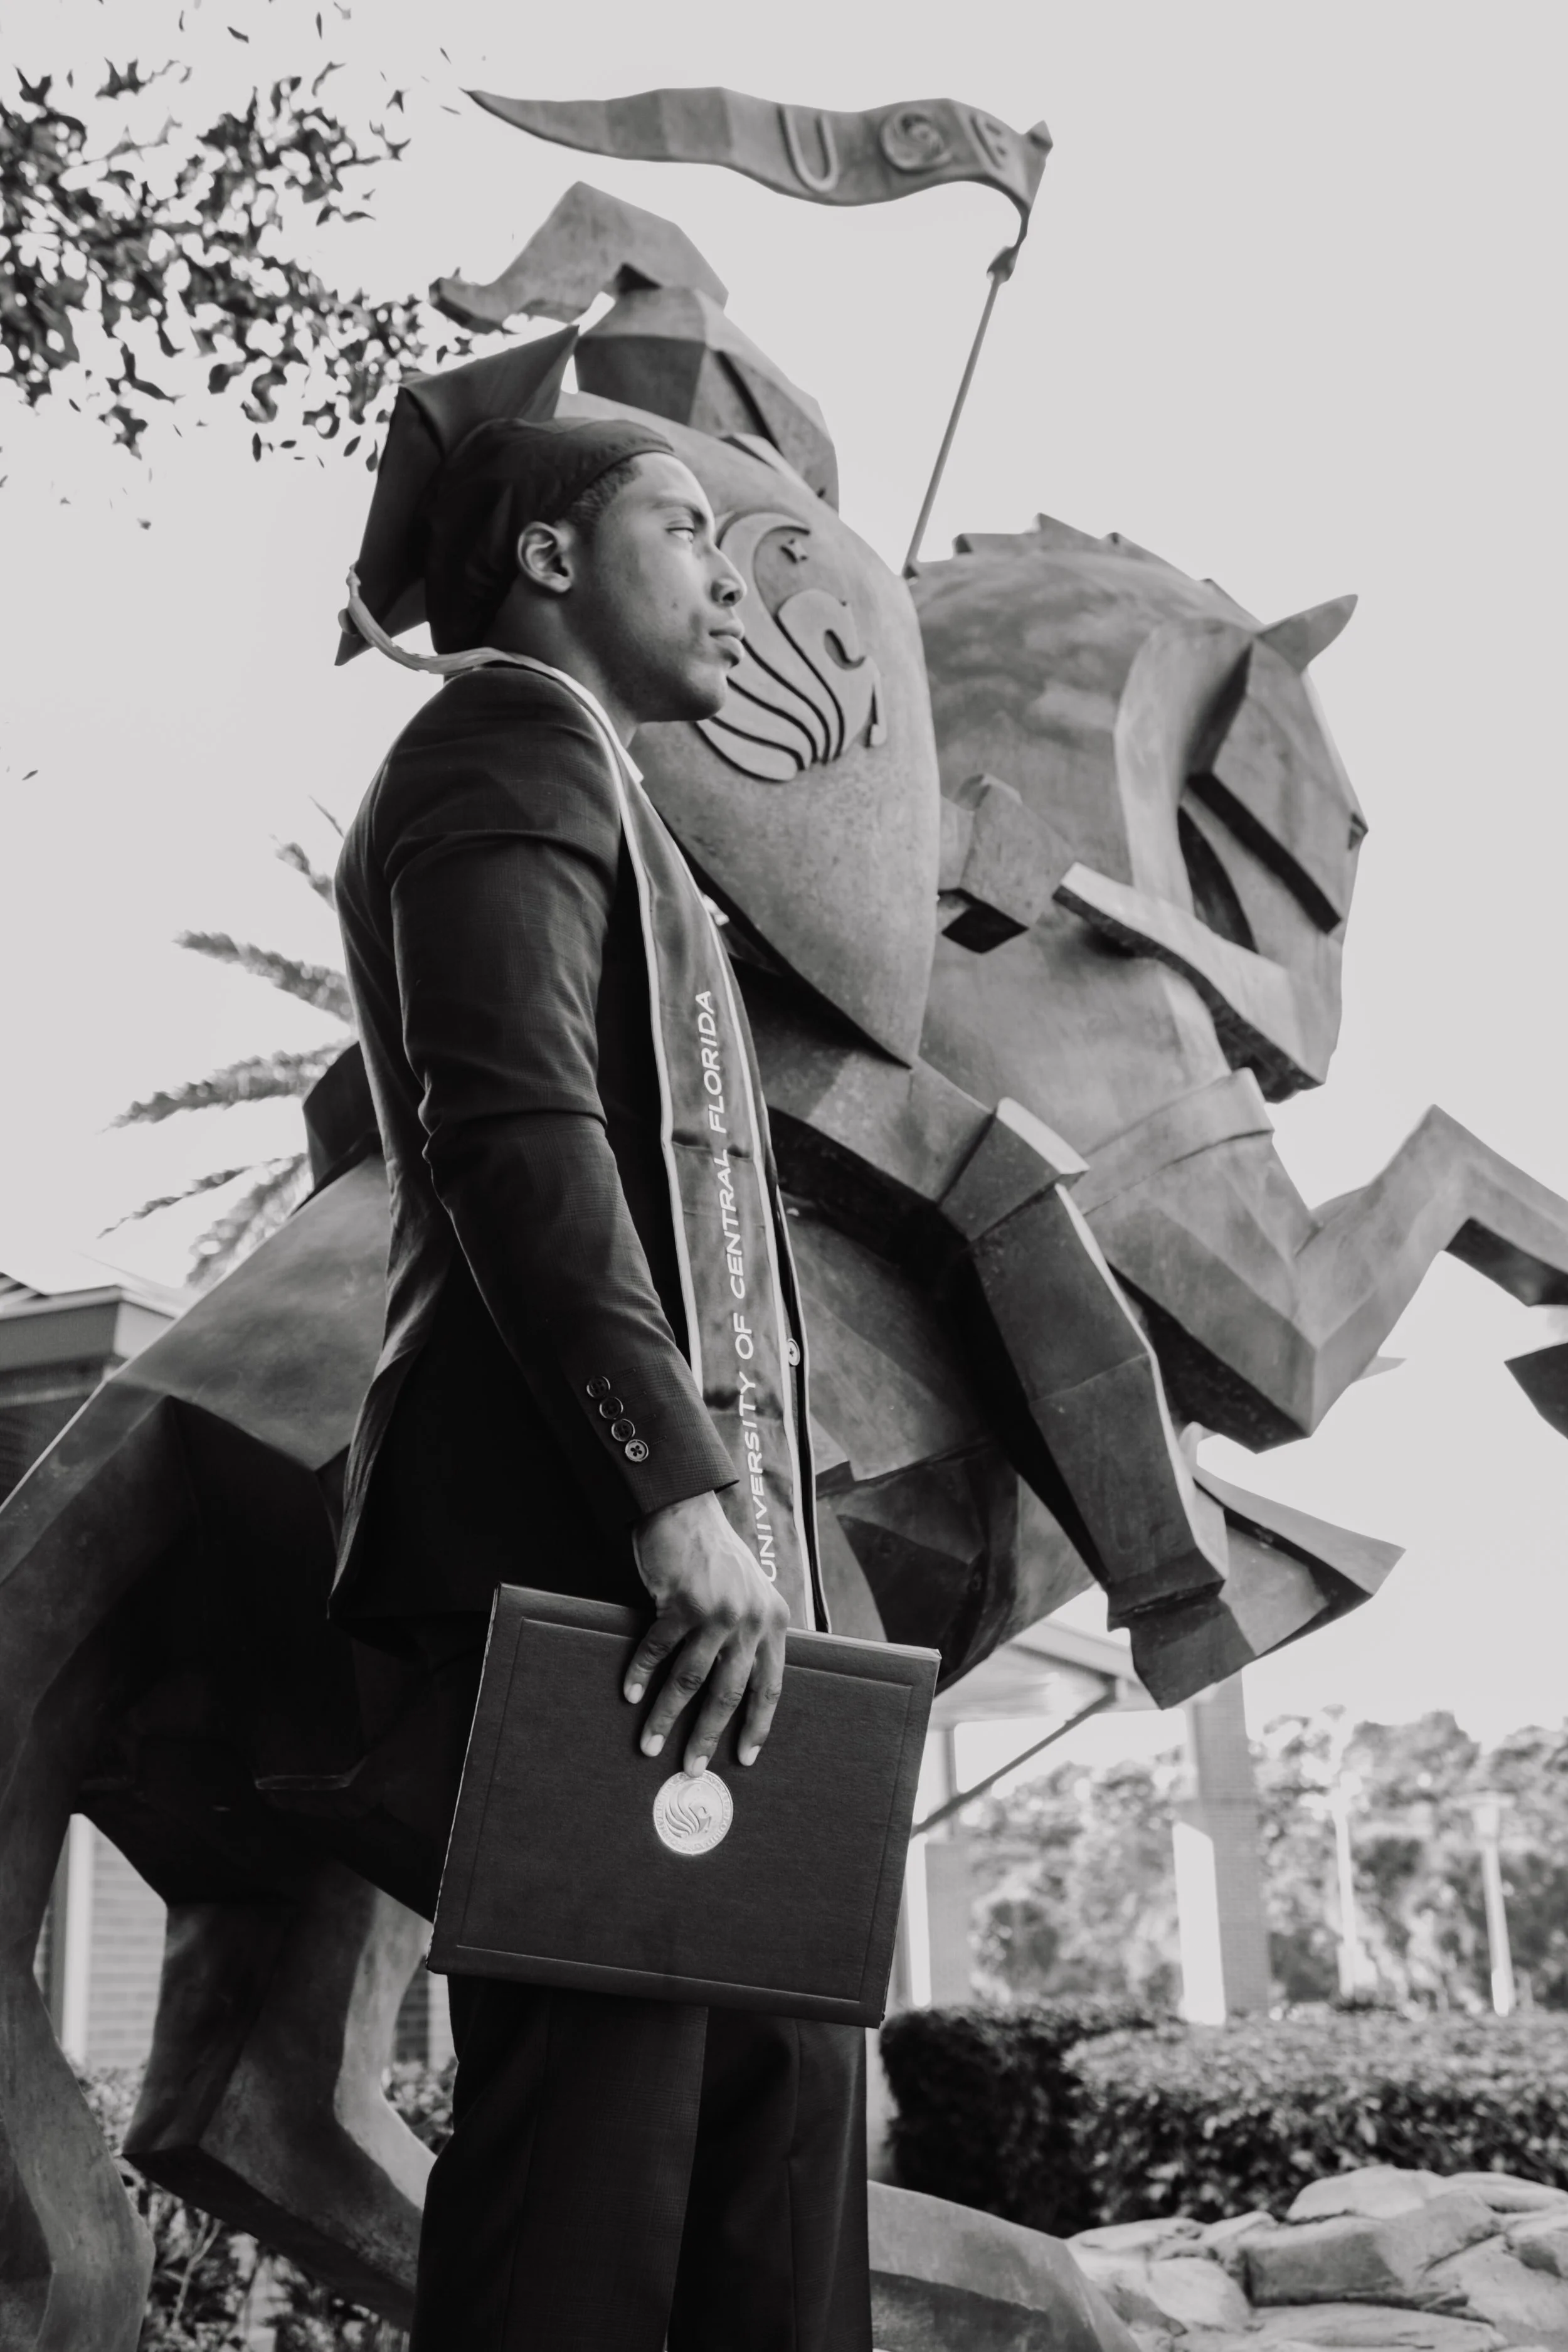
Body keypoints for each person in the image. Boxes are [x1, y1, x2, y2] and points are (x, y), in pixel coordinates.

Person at [330, 331, 870, 2351]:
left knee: (773, 2143)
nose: (730, 578)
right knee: (595, 2186)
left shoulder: (607, 798)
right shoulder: (500, 747)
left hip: (708, 1595)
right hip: (592, 1567)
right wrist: (674, 1486)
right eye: (683, 527)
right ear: (550, 555)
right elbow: (513, 1126)